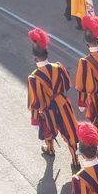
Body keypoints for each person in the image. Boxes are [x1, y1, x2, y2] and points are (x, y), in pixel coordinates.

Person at [26, 27, 79, 172]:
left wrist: (35, 118)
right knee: (70, 131)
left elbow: (34, 102)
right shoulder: (58, 67)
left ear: (34, 57)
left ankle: (50, 149)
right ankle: (75, 159)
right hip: (62, 103)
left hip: (47, 109)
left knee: (47, 130)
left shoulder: (33, 77)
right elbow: (68, 84)